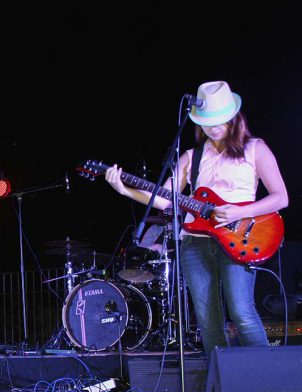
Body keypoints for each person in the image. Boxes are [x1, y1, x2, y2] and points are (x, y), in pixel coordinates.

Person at [105, 81, 288, 356]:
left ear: (233, 118)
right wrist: (124, 189)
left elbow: (280, 197)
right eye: (207, 122)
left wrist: (240, 212)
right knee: (208, 320)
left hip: (240, 237)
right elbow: (165, 199)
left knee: (242, 312)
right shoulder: (193, 156)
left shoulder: (255, 148)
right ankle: (222, 384)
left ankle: (264, 382)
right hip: (195, 242)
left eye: (219, 121)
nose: (213, 127)